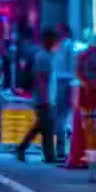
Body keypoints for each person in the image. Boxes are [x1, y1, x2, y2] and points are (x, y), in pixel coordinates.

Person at [16, 29, 58, 163]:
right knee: (46, 126)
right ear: (47, 40)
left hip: (44, 96)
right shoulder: (43, 57)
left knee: (43, 126)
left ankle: (26, 149)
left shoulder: (48, 55)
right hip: (41, 97)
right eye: (53, 39)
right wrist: (46, 98)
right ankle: (47, 155)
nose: (55, 42)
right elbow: (41, 79)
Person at [54, 24, 75, 160]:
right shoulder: (62, 46)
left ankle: (62, 148)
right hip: (63, 81)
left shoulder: (67, 45)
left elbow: (71, 66)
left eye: (60, 31)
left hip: (65, 81)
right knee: (63, 116)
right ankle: (61, 148)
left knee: (62, 116)